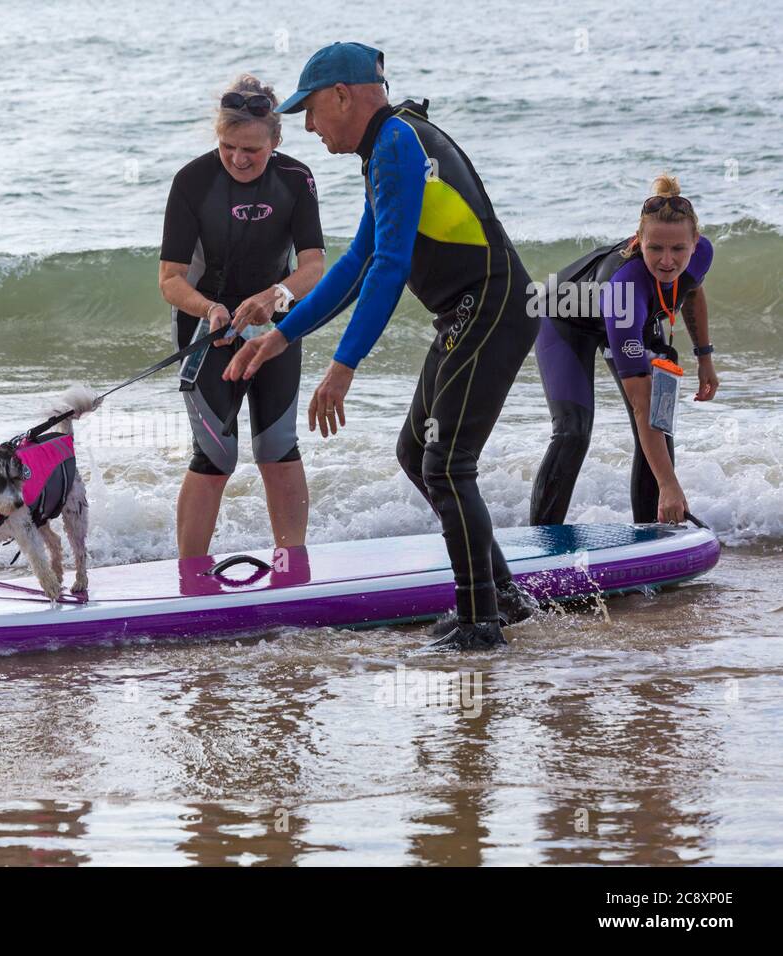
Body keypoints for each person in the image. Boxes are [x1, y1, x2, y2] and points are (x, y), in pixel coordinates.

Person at [223, 42, 540, 650]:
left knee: (446, 463)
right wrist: (280, 336)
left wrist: (343, 367)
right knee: (417, 451)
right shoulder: (390, 146)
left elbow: (391, 267)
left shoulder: (396, 142)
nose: (308, 126)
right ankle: (497, 594)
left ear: (343, 96)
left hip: (491, 306)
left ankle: (481, 621)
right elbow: (356, 263)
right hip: (474, 311)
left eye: (312, 110)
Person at [159, 74, 326, 558]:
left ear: (276, 139)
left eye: (252, 148)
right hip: (206, 329)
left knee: (278, 449)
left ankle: (291, 564)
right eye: (229, 146)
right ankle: (190, 574)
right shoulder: (192, 181)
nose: (239, 158)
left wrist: (275, 294)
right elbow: (170, 280)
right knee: (215, 457)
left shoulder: (296, 180)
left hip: (275, 325)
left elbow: (313, 266)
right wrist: (211, 309)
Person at [530, 174, 718, 526]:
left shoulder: (701, 254)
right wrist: (670, 484)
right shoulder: (625, 288)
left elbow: (691, 290)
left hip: (636, 319)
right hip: (566, 319)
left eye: (678, 249)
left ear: (695, 242)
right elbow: (640, 403)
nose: (667, 261)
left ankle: (649, 536)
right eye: (655, 248)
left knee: (660, 427)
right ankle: (540, 540)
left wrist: (704, 358)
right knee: (573, 432)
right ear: (638, 241)